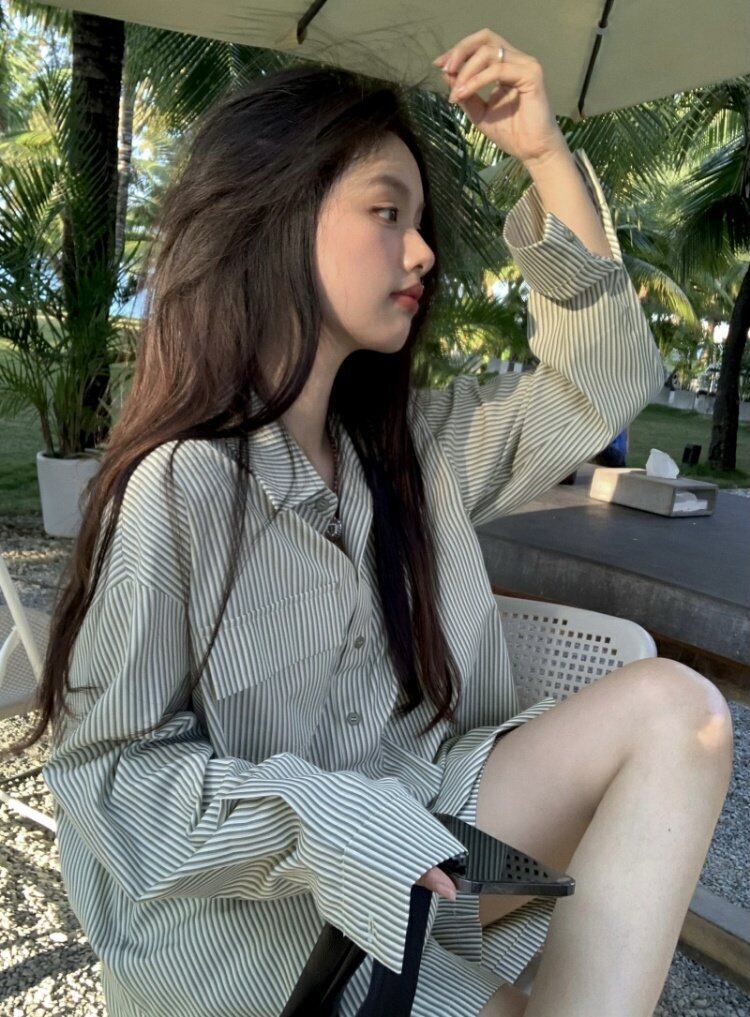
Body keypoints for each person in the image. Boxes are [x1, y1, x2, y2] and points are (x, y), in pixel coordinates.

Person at [7, 28, 733, 1017]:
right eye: (387, 212)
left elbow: (600, 381)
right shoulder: (183, 487)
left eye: (420, 221)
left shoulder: (412, 451)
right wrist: (330, 822)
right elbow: (111, 779)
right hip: (256, 913)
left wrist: (543, 154)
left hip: (425, 828)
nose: (423, 251)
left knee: (681, 714)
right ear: (275, 217)